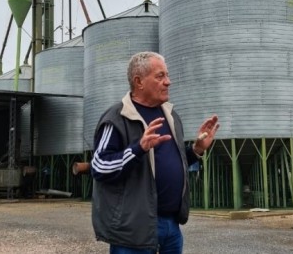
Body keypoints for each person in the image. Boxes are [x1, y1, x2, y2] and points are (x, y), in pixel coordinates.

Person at [90, 51, 219, 254]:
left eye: (167, 75)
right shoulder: (117, 117)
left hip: (171, 227)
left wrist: (196, 150)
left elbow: (170, 160)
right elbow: (99, 166)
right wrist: (138, 148)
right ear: (139, 82)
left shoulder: (171, 116)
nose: (168, 82)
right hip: (133, 231)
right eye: (160, 76)